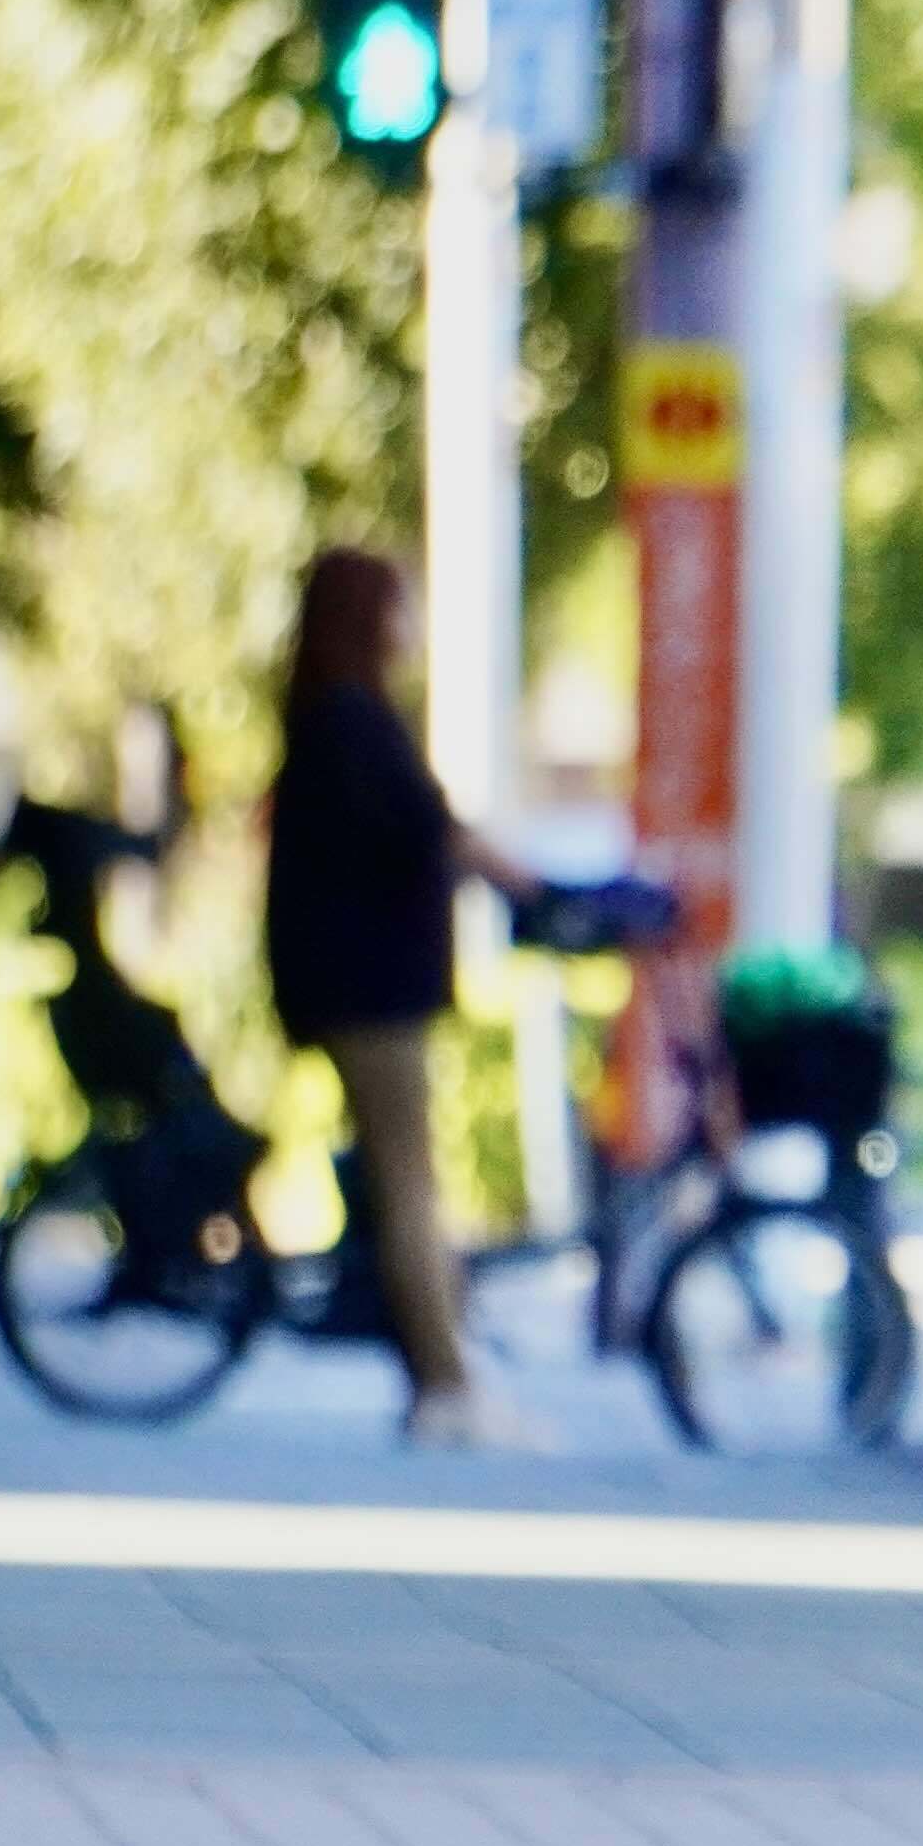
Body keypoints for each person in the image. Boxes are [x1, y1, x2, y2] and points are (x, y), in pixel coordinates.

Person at [265, 547, 542, 1447]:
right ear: (370, 619)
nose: (412, 625)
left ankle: (438, 1372)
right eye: (401, 607)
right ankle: (447, 1386)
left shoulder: (327, 716)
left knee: (402, 1182)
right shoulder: (356, 721)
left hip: (346, 987)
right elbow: (431, 830)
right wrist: (534, 887)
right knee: (412, 1187)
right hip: (373, 996)